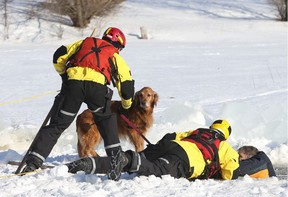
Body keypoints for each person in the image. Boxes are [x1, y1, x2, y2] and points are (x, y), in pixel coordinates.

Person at [22, 27, 135, 179]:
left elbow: (59, 56)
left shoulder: (84, 42)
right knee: (106, 123)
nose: (119, 51)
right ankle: (115, 164)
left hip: (73, 87)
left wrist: (64, 75)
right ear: (117, 44)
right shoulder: (114, 54)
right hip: (97, 90)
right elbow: (126, 83)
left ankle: (32, 163)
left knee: (57, 125)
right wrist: (126, 104)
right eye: (120, 48)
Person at [66, 119, 240, 181]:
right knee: (154, 169)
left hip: (169, 146)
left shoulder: (198, 131)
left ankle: (90, 164)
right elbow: (229, 172)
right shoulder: (224, 145)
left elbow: (172, 135)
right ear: (225, 134)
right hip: (186, 159)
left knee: (130, 160)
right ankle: (128, 161)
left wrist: (156, 149)